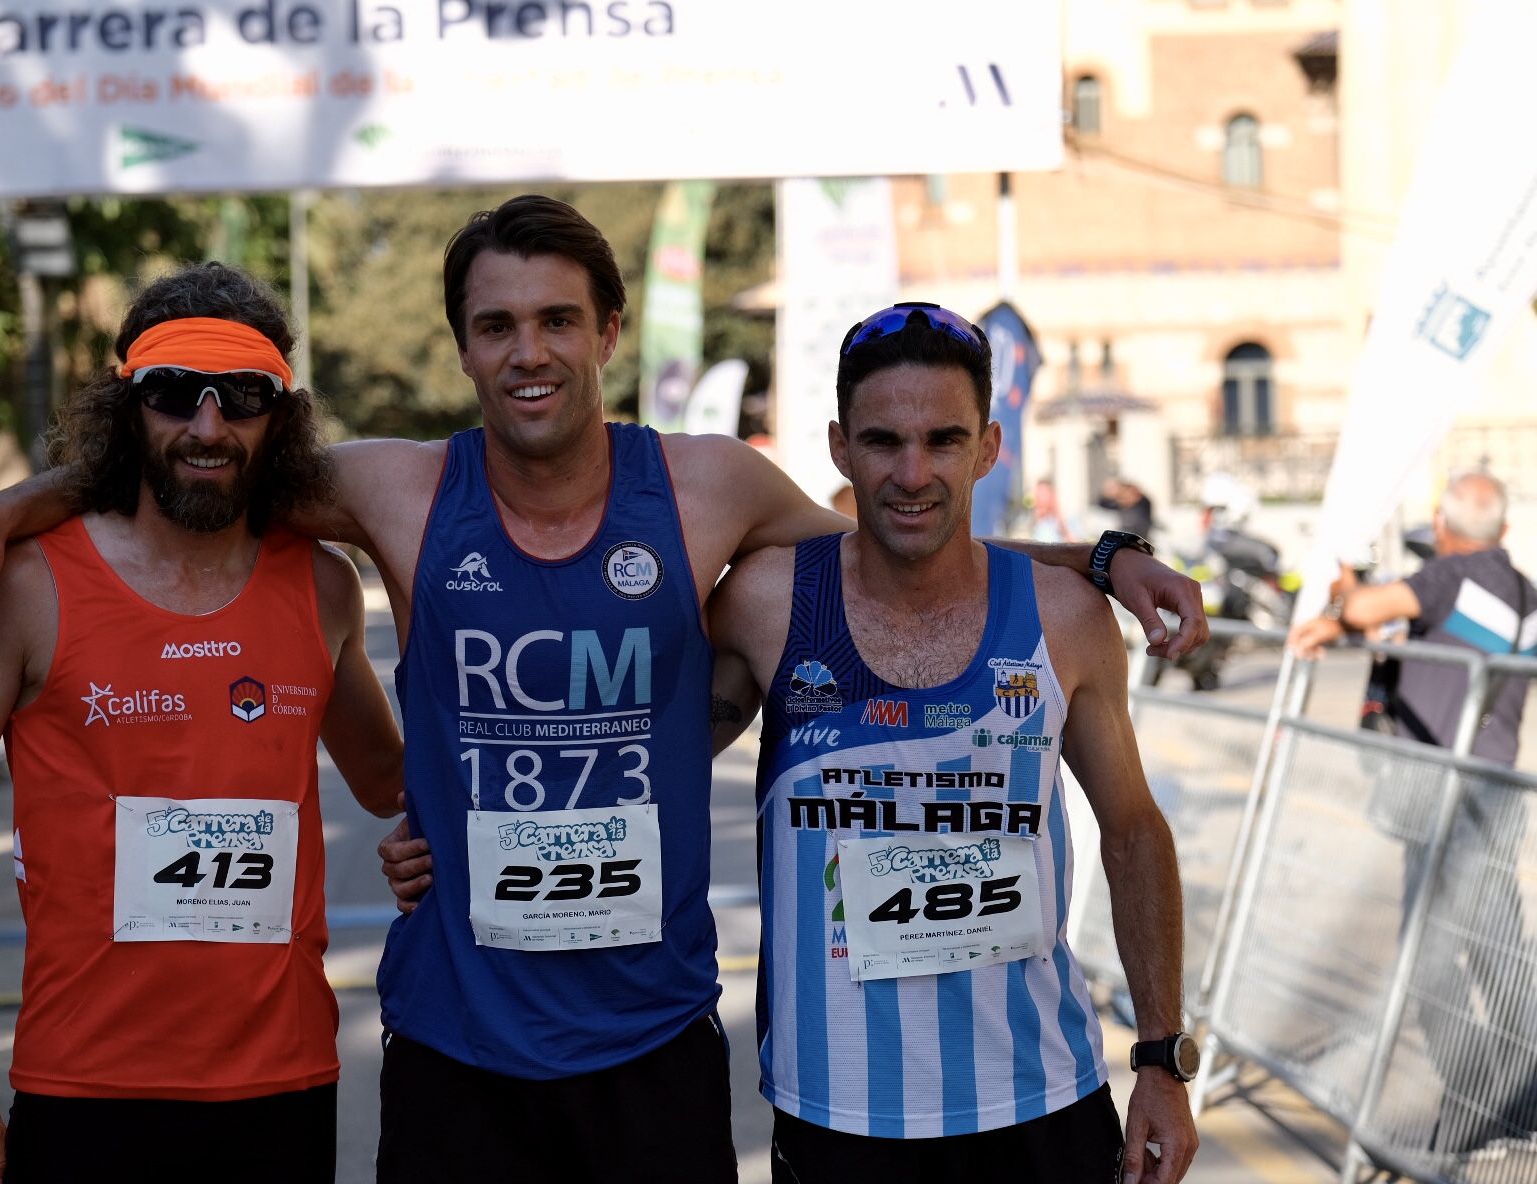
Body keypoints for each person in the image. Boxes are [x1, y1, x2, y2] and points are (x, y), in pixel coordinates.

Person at [0, 197, 1207, 1180]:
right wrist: (1, 515)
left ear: (609, 334)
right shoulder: (399, 492)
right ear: (464, 346)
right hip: (458, 1063)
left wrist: (1099, 554)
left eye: (558, 321)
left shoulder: (704, 490)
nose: (530, 351)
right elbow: (190, 454)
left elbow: (906, 530)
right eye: (497, 324)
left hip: (654, 1055)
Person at [393, 304, 1204, 1182]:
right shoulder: (767, 604)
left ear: (988, 449)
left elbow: (1132, 833)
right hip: (833, 1118)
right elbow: (622, 745)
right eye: (883, 441)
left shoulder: (1067, 620)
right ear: (838, 448)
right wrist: (440, 820)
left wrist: (1163, 1061)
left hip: (1040, 1101)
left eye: (943, 441)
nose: (912, 472)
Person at [0, 263, 404, 1184]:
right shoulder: (26, 590)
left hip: (282, 1086)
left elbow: (390, 782)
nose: (206, 427)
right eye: (173, 395)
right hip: (86, 1091)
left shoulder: (323, 587)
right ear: (129, 407)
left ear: (276, 416)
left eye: (241, 396)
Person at [1290, 471, 1537, 1162]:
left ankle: (1478, 1102)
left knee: (1427, 962)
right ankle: (1524, 1100)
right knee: (1498, 953)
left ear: (1445, 524)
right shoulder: (1524, 592)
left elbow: (1374, 606)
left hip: (1441, 794)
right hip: (1496, 790)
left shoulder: (1451, 578)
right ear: (1506, 530)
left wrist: (1343, 601)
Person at [1099, 477, 1154, 543]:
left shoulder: (1143, 503)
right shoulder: (1119, 504)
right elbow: (1103, 504)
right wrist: (1109, 494)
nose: (1124, 498)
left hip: (1140, 538)